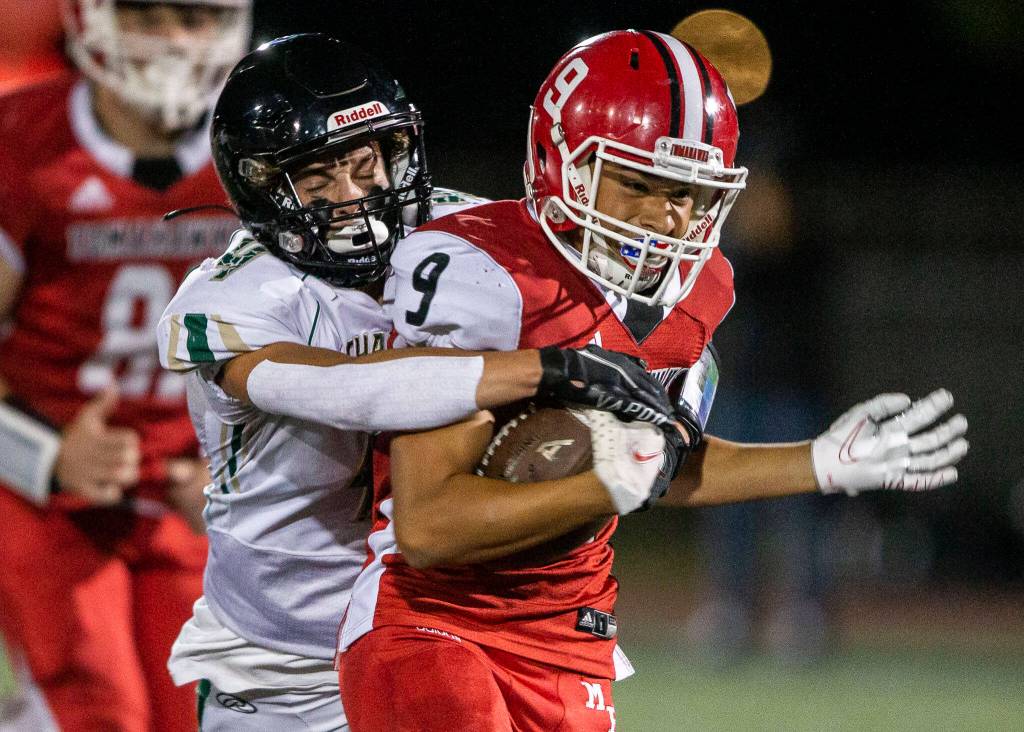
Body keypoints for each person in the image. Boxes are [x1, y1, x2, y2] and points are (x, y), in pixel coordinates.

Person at [335, 30, 970, 731]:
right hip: (436, 625)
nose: (666, 217)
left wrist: (819, 462)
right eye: (637, 182)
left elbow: (660, 465)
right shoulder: (482, 274)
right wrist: (603, 483)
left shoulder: (700, 289)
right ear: (560, 162)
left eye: (688, 194)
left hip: (570, 642)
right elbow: (427, 527)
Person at [156, 34, 677, 731]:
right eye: (316, 177)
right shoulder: (232, 298)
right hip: (288, 667)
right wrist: (548, 368)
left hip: (446, 627)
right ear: (260, 183)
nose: (351, 195)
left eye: (364, 162)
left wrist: (671, 379)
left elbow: (603, 278)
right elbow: (345, 390)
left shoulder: (461, 233)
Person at [0, 1, 251, 730]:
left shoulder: (261, 144)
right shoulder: (22, 142)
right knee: (93, 705)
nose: (174, 40)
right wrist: (43, 456)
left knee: (199, 713)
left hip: (196, 497)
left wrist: (249, 467)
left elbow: (325, 344)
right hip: (49, 499)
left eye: (198, 17)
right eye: (148, 12)